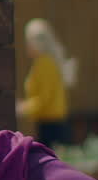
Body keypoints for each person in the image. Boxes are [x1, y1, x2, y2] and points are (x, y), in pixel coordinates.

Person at [17, 18, 77, 149]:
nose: (26, 45)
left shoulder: (44, 63)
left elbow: (44, 99)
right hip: (51, 124)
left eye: (28, 41)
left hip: (51, 126)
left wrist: (23, 108)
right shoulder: (46, 62)